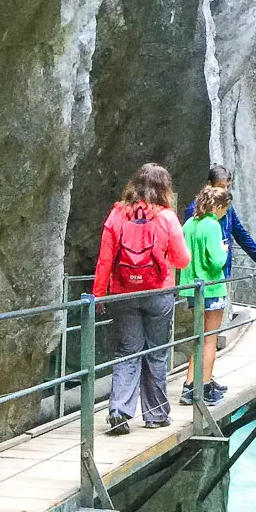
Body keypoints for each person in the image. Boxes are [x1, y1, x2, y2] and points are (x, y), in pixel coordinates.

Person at [92, 163, 190, 435]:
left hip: (123, 293)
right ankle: (156, 415)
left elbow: (105, 260)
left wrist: (99, 294)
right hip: (158, 293)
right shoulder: (167, 218)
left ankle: (119, 411)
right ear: (164, 188)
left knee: (127, 351)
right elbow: (182, 260)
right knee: (156, 352)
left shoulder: (116, 215)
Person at [183, 164, 256, 349]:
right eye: (220, 186)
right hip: (200, 279)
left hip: (220, 276)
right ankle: (199, 376)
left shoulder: (227, 209)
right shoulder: (195, 210)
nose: (224, 190)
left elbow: (241, 235)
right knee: (205, 335)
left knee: (210, 333)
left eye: (227, 186)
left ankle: (204, 374)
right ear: (209, 185)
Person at [178, 185, 231, 406]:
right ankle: (205, 387)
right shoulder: (211, 225)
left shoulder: (189, 224)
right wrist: (224, 249)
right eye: (224, 210)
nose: (225, 214)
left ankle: (189, 386)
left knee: (198, 338)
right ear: (217, 206)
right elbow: (217, 260)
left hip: (191, 289)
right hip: (211, 289)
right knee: (210, 339)